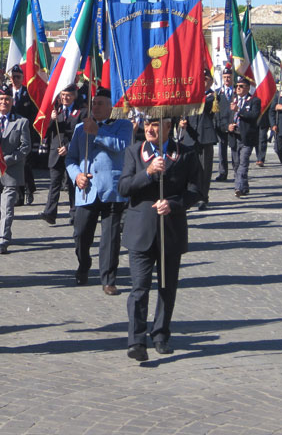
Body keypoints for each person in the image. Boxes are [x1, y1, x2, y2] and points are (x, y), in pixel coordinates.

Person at [117, 115, 201, 362]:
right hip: (140, 230)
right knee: (139, 288)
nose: (149, 129)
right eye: (147, 124)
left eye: (155, 124)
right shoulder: (134, 152)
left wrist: (174, 204)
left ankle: (161, 334)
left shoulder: (185, 153)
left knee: (167, 288)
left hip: (170, 230)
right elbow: (123, 187)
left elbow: (196, 191)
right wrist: (149, 173)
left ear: (168, 126)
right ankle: (136, 340)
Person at [66, 87, 132, 293]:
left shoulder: (123, 125)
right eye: (93, 103)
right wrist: (76, 175)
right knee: (81, 234)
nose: (95, 106)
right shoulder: (80, 128)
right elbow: (71, 158)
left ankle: (108, 279)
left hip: (112, 189)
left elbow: (121, 145)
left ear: (111, 106)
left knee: (111, 238)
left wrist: (98, 132)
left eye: (100, 103)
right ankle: (84, 264)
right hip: (86, 191)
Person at [0, 84, 31, 254]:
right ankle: (1, 232)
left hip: (11, 171)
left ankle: (2, 239)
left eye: (7, 99)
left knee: (7, 208)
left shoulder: (21, 122)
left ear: (12, 101)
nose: (4, 102)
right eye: (1, 99)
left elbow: (25, 147)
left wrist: (7, 159)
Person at [39, 84, 86, 225]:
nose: (65, 97)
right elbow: (44, 132)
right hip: (56, 153)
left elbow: (82, 134)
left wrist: (68, 147)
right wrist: (51, 120)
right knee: (54, 183)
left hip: (73, 153)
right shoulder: (55, 110)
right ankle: (50, 212)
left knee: (73, 185)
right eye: (63, 95)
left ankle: (75, 213)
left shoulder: (81, 112)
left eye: (69, 95)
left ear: (74, 96)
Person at [180, 68, 217, 210]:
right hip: (190, 136)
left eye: (206, 79)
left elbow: (205, 107)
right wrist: (182, 121)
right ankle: (190, 195)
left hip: (204, 137)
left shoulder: (213, 96)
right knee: (188, 168)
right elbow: (184, 111)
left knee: (204, 169)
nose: (203, 82)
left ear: (211, 82)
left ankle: (203, 196)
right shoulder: (191, 95)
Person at [228, 76, 261, 198]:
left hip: (246, 137)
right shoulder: (233, 101)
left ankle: (238, 187)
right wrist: (228, 126)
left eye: (241, 86)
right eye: (237, 86)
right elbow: (226, 117)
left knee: (243, 163)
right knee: (236, 164)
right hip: (234, 137)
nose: (238, 88)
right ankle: (245, 186)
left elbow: (253, 115)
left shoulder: (254, 101)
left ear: (247, 88)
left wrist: (239, 110)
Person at [9, 64, 37, 205]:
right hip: (10, 134)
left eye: (18, 77)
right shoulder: (5, 92)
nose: (15, 79)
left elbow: (33, 114)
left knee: (25, 164)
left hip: (25, 132)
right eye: (13, 77)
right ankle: (19, 196)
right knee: (15, 163)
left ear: (23, 78)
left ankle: (29, 189)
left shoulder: (28, 93)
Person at [214, 66, 235, 182]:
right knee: (222, 151)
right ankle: (223, 172)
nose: (227, 79)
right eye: (225, 77)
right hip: (221, 125)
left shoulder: (237, 92)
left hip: (233, 126)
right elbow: (215, 111)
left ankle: (236, 171)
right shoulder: (217, 93)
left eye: (229, 77)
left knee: (234, 151)